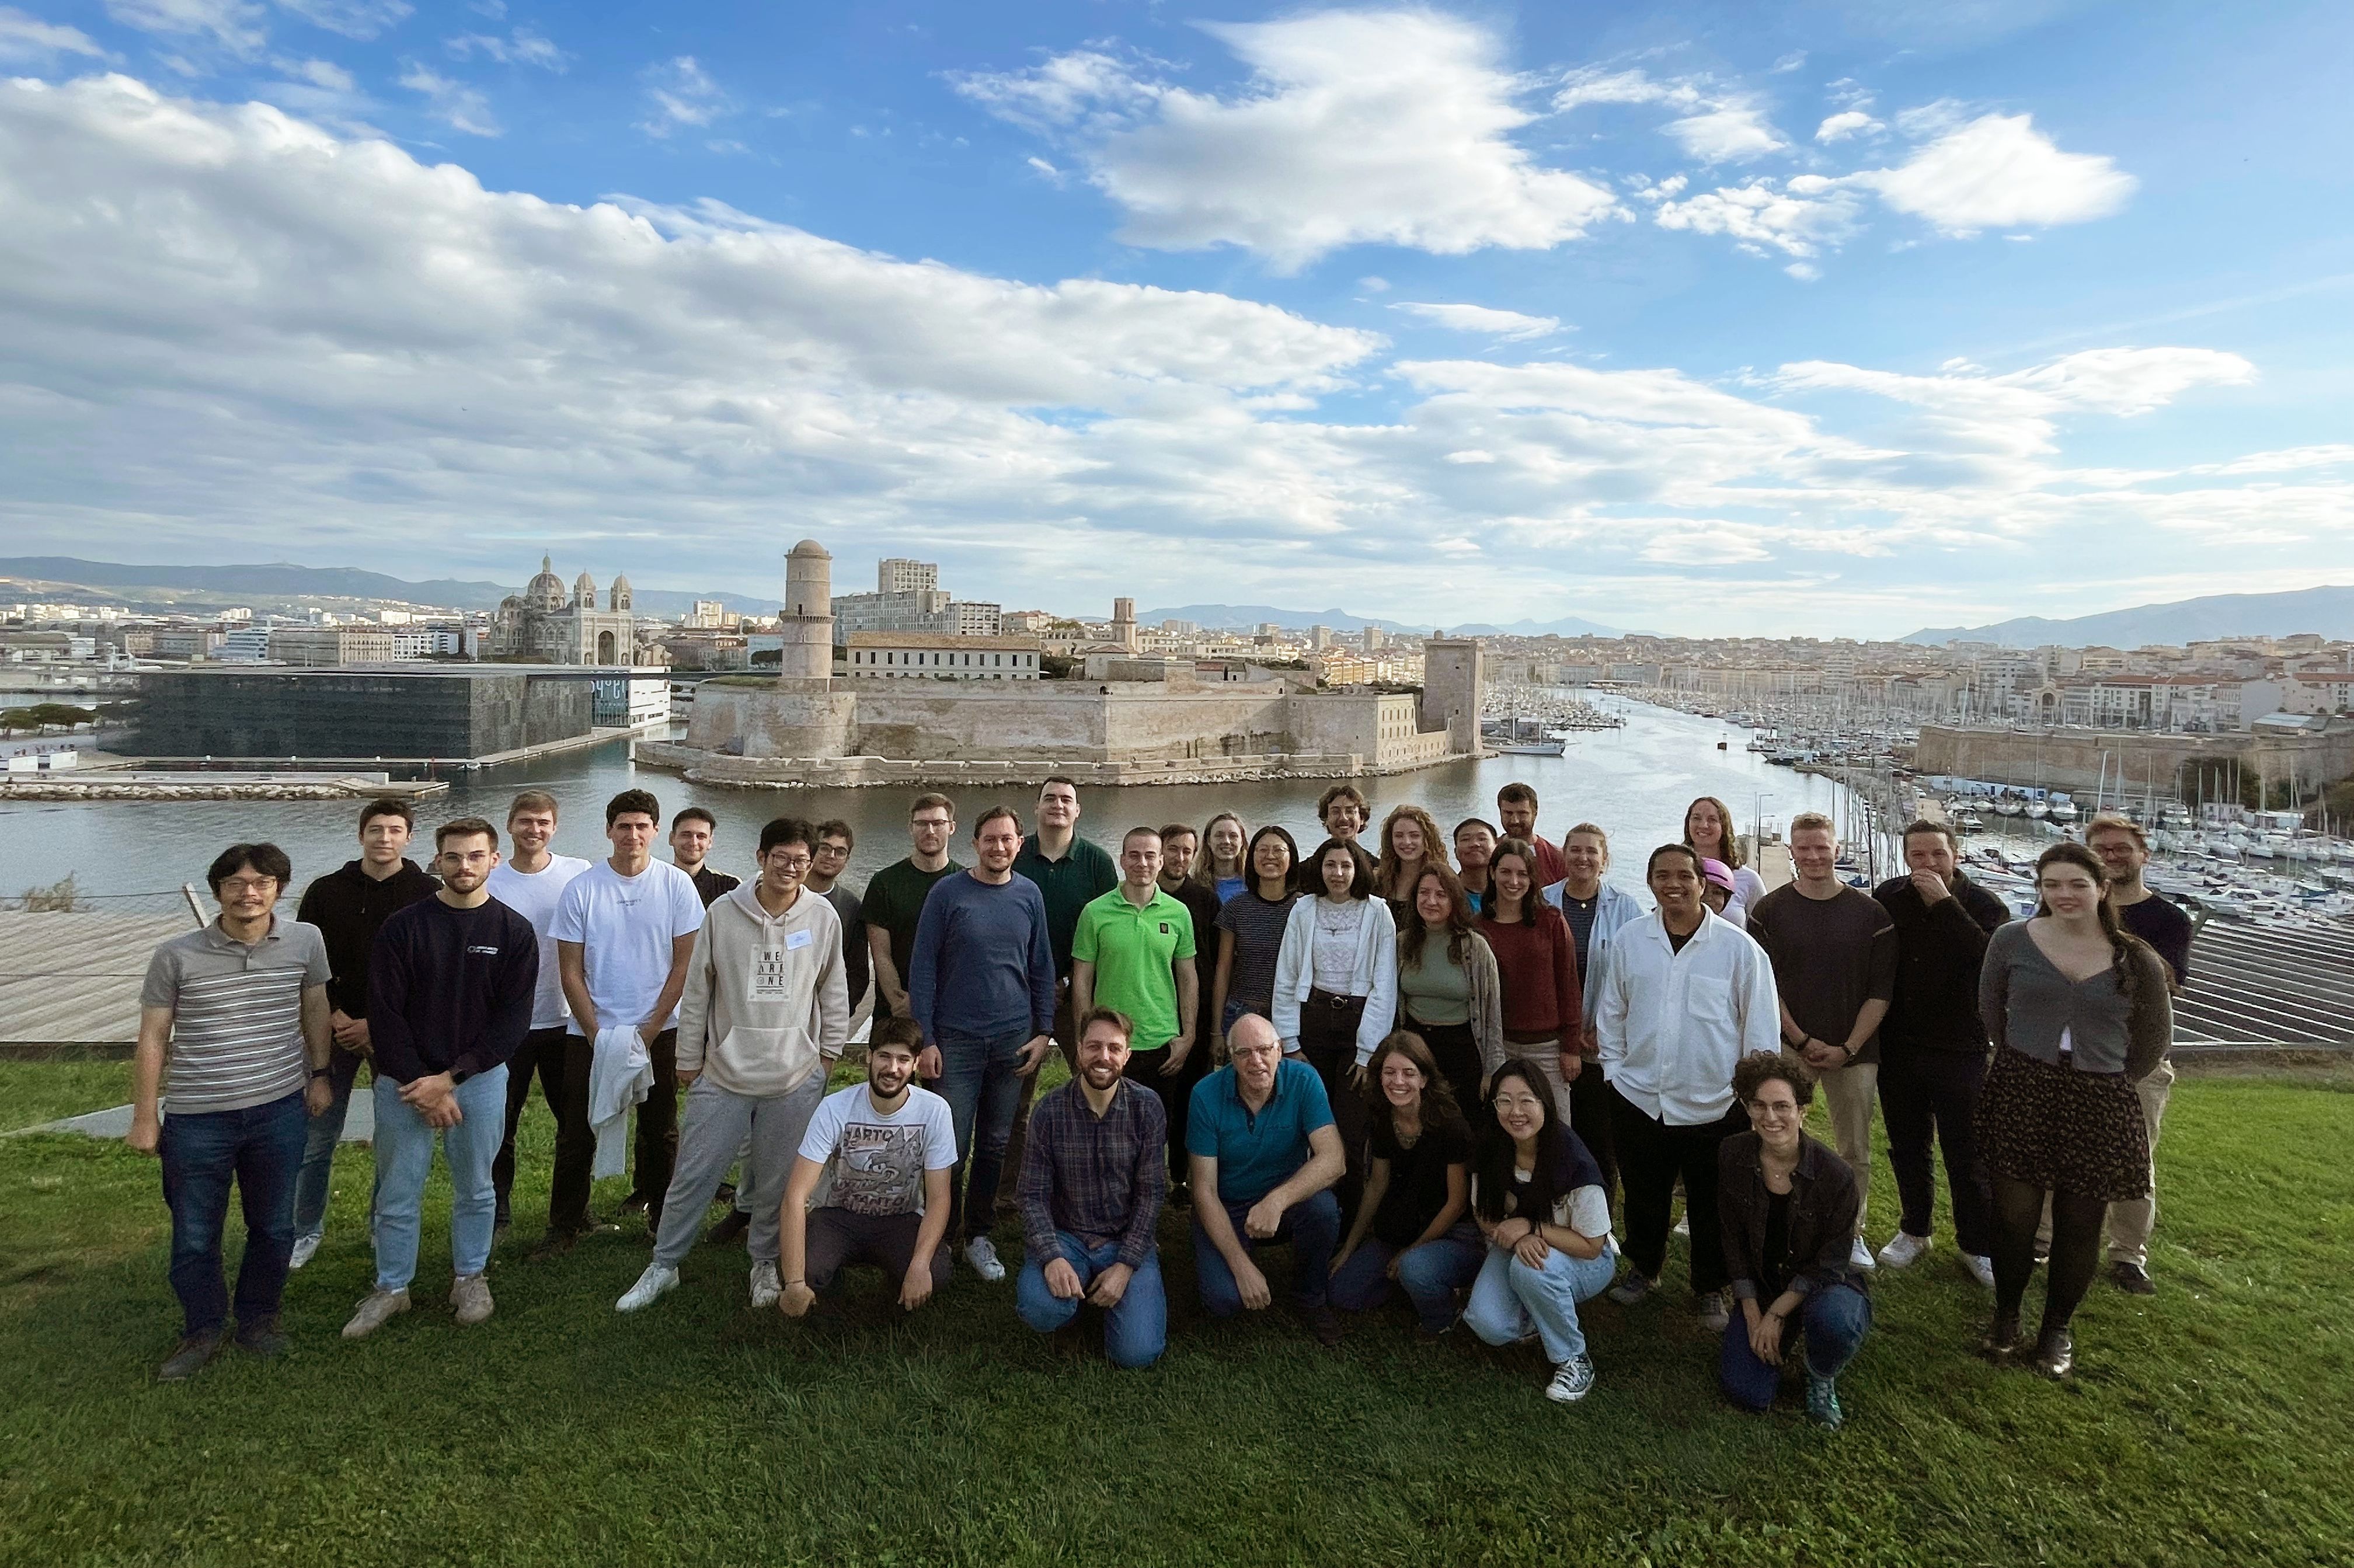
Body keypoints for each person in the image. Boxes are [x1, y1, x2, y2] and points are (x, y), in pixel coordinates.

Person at [615, 817, 849, 1314]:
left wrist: (827, 1057)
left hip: (795, 1076)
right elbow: (698, 990)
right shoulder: (722, 913)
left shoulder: (823, 917)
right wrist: (689, 1060)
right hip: (723, 1073)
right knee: (695, 1174)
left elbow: (834, 990)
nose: (791, 869)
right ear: (761, 858)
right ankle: (664, 1264)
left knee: (777, 1180)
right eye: (782, 858)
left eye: (801, 861)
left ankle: (764, 1262)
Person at [131, 843, 333, 1381]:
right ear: (218, 890)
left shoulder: (305, 941)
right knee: (195, 1233)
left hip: (280, 1110)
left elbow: (314, 1007)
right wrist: (145, 1115)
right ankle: (202, 1329)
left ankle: (259, 1320)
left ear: (279, 889)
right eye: (236, 884)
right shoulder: (175, 955)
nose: (249, 893)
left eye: (262, 883)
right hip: (198, 1117)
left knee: (273, 1227)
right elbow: (154, 1036)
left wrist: (320, 1074)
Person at [1977, 842, 2172, 1378]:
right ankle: (2007, 1315)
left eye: (2077, 885)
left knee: (2079, 1223)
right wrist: (2026, 1058)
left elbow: (2154, 1038)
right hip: (2022, 1086)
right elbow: (1992, 1011)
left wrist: (2108, 1076)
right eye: (2052, 885)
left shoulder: (2135, 957)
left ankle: (2057, 1327)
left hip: (2100, 1096)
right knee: (2014, 1215)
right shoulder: (2011, 941)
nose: (2064, 895)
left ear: (2102, 890)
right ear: (2039, 889)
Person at [343, 818, 538, 1339]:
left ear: (494, 860)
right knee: (398, 1191)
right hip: (404, 1083)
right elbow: (385, 1014)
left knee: (477, 1188)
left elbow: (511, 1023)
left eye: (475, 856)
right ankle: (392, 1287)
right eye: (453, 857)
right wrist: (421, 1084)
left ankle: (469, 1277)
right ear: (437, 861)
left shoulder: (514, 932)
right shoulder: (404, 928)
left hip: (477, 1081)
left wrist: (451, 1078)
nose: (464, 867)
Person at [1597, 845, 1780, 1331]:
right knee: (1643, 1193)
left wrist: (1750, 1099)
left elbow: (1760, 1031)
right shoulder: (1630, 940)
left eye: (1683, 876)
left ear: (1705, 883)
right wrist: (1615, 1073)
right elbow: (1611, 1011)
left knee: (1712, 1202)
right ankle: (1645, 1267)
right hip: (1639, 1097)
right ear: (1650, 881)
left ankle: (1709, 1287)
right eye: (1662, 876)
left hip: (1715, 1105)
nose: (1672, 885)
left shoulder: (1740, 950)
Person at [906, 804, 1057, 1283]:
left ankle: (979, 1234)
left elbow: (1041, 968)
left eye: (1007, 839)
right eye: (990, 839)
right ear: (974, 843)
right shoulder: (948, 893)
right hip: (957, 1040)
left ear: (1019, 845)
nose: (999, 847)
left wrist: (1044, 1032)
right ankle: (942, 1235)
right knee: (952, 1143)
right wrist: (926, 1039)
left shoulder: (1029, 895)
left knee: (994, 1142)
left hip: (1013, 1039)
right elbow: (923, 968)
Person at [289, 798, 440, 1270]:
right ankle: (305, 1229)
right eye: (376, 829)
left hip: (397, 1032)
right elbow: (309, 964)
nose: (385, 838)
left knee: (394, 1137)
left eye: (395, 830)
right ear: (361, 835)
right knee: (316, 1138)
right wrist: (335, 1015)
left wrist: (377, 1024)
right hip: (332, 1027)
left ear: (409, 837)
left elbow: (430, 972)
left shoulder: (426, 892)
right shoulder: (326, 891)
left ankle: (383, 1222)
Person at [1745, 812, 1896, 1271]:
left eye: (1821, 847)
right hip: (1790, 1047)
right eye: (1804, 848)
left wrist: (1847, 1047)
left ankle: (1851, 1233)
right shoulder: (1769, 912)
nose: (1813, 856)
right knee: (1777, 1137)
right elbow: (1766, 985)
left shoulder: (1872, 915)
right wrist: (1801, 1038)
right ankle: (1780, 1220)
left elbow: (1880, 992)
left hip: (1856, 1051)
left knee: (1854, 1149)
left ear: (1837, 848)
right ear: (1791, 851)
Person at [551, 789, 706, 1236]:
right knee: (576, 1133)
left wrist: (651, 1029)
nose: (632, 835)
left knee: (660, 1131)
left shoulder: (676, 886)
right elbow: (570, 971)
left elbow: (684, 965)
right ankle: (565, 1226)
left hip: (660, 1029)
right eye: (624, 826)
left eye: (642, 826)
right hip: (590, 1032)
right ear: (608, 831)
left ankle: (664, 1221)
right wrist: (599, 1036)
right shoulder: (582, 889)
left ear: (656, 832)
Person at [1871, 819, 2008, 1285]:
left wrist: (1946, 906)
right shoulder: (1889, 897)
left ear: (1956, 855)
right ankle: (1915, 1229)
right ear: (1906, 857)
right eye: (1917, 856)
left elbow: (1992, 962)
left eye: (1936, 855)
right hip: (1900, 1045)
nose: (1927, 864)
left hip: (1961, 1047)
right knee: (1908, 1146)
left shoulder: (1986, 906)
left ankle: (1977, 1244)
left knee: (1966, 1153)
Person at [1717, 1053, 1871, 1429]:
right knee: (1748, 1394)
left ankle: (1821, 1374)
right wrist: (1753, 1313)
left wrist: (1776, 1314)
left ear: (1803, 1110)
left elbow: (1831, 1261)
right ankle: (1781, 1333)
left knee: (1836, 1321)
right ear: (1747, 1107)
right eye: (1759, 1105)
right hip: (1766, 1283)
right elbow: (1733, 1240)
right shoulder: (1732, 1154)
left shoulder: (1837, 1176)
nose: (1771, 1118)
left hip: (1824, 1285)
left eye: (1782, 1106)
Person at [1014, 1008, 1169, 1368]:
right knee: (1040, 1309)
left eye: (1114, 1049)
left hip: (1125, 1238)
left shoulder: (1147, 1108)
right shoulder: (1049, 1111)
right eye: (1094, 1046)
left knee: (1137, 1354)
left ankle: (1109, 1296)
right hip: (1068, 1237)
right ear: (1078, 1049)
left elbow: (1151, 1195)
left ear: (1128, 1056)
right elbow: (1032, 1196)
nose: (1103, 1057)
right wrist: (1051, 1257)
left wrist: (1128, 1264)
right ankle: (1072, 1308)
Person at [1461, 1060, 1618, 1403]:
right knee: (1488, 1325)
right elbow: (1483, 1214)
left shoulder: (1573, 1158)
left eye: (1526, 1100)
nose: (1515, 1112)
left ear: (1545, 1103)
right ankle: (1542, 1312)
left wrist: (1533, 1229)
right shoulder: (1490, 1147)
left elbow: (1592, 1245)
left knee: (1531, 1270)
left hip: (1585, 1256)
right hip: (1520, 1245)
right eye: (1504, 1100)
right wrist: (1520, 1237)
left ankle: (1574, 1359)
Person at [777, 1020, 958, 1317]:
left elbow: (939, 1198)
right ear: (868, 1058)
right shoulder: (835, 1108)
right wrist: (795, 1282)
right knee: (802, 1268)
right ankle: (826, 1292)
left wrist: (920, 1264)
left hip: (900, 1220)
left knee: (936, 1273)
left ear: (915, 1065)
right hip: (837, 1217)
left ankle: (895, 1288)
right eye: (885, 1057)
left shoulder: (935, 1111)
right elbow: (795, 1197)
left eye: (903, 1060)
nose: (893, 1069)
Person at [1187, 1015, 1347, 1344]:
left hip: (1283, 1202)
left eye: (1264, 1050)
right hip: (1227, 1205)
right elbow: (1203, 1191)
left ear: (1280, 1050)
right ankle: (1241, 1258)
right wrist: (1240, 1266)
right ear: (1231, 1059)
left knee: (1324, 1210)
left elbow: (1334, 1160)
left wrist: (1277, 1200)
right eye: (1244, 1053)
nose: (1256, 1062)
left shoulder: (1304, 1080)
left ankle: (1310, 1295)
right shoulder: (1205, 1095)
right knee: (1223, 1301)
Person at [2086, 813, 2193, 1296]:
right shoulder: (2071, 907)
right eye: (2102, 849)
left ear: (2143, 855)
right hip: (2078, 1048)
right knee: (2056, 1150)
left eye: (2121, 848)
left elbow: (2170, 980)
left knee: (2135, 1161)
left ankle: (2128, 1254)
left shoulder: (2168, 919)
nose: (2112, 856)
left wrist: (2116, 941)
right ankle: (2043, 1239)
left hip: (2141, 1058)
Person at [1003, 777, 1119, 1203]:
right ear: (1036, 808)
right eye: (1049, 798)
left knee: (1094, 1089)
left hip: (1079, 996)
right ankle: (1007, 1191)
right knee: (1014, 1103)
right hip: (1021, 997)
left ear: (1078, 811)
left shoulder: (1097, 862)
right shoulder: (1015, 855)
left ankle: (1093, 1183)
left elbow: (1109, 930)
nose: (1058, 805)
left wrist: (1068, 983)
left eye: (1066, 799)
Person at [487, 790, 593, 1252]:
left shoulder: (579, 873)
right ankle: (496, 1206)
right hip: (506, 1024)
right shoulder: (490, 878)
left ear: (555, 827)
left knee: (575, 1124)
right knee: (499, 1123)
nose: (535, 829)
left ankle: (574, 1210)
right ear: (510, 826)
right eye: (526, 821)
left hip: (565, 1020)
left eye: (544, 822)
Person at [1271, 837, 1398, 1224]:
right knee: (1305, 1120)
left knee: (1350, 1126)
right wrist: (1289, 1043)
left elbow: (1384, 983)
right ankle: (1303, 1212)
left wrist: (1367, 1051)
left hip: (1358, 1024)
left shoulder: (1378, 912)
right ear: (1319, 869)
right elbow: (1287, 975)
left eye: (1346, 865)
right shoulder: (1304, 910)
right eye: (1330, 865)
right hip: (1313, 1021)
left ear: (1358, 868)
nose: (1338, 873)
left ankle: (1348, 1218)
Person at [1329, 1032, 1482, 1339]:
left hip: (1454, 1233)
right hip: (1402, 1227)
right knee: (1341, 1293)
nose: (1398, 1081)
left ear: (1424, 1079)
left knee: (1414, 1267)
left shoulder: (1450, 1125)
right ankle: (1415, 1282)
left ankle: (1445, 1315)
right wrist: (1349, 1247)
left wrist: (1411, 1252)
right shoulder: (1384, 1117)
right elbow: (1377, 1185)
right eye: (1390, 1072)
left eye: (1409, 1073)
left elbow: (1457, 1204)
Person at [1072, 827, 1200, 1184]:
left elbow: (1187, 977)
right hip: (1110, 1046)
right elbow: (1082, 979)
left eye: (1150, 856)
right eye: (1134, 855)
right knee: (1105, 1132)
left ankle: (1145, 1213)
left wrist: (1187, 1035)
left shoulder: (1178, 913)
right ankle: (1101, 1202)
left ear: (1161, 861)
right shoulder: (1095, 913)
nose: (1142, 863)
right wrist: (1084, 1036)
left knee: (1152, 1137)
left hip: (1162, 1043)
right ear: (1123, 859)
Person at [1543, 823, 1645, 1208]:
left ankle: (1599, 1217)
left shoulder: (1626, 908)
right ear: (1564, 855)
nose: (1583, 858)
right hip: (1552, 1040)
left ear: (1605, 861)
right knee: (1556, 1131)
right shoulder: (1543, 902)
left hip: (1604, 1045)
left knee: (1601, 1137)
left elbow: (1637, 977)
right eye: (1575, 850)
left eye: (1592, 851)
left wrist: (1607, 1029)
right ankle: (1557, 1206)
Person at [1478, 838, 1582, 1128]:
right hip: (1499, 1047)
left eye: (1523, 874)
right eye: (1506, 872)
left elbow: (1568, 984)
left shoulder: (1550, 921)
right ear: (1492, 873)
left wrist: (1571, 1047)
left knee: (1557, 1128)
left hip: (1547, 1047)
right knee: (1508, 1129)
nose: (1514, 881)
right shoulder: (1478, 928)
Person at [1394, 864, 1502, 1117]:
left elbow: (1492, 1014)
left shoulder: (1475, 948)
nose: (1431, 901)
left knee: (1461, 1127)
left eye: (1441, 894)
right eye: (1424, 893)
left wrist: (1491, 1072)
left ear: (1454, 899)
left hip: (1462, 1049)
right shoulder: (1402, 943)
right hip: (1414, 1046)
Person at [1156, 821, 1223, 1187]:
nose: (1180, 858)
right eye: (1173, 849)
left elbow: (1211, 963)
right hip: (1153, 1011)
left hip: (1193, 1011)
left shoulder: (1204, 898)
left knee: (1189, 1101)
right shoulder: (1142, 896)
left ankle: (1183, 1177)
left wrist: (1210, 1025)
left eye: (1187, 851)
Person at [862, 794, 964, 1023]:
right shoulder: (885, 883)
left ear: (952, 828)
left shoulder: (967, 883)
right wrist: (899, 1003)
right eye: (922, 824)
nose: (930, 831)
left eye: (938, 824)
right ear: (911, 828)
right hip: (895, 1011)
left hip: (950, 1011)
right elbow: (881, 955)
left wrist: (933, 1001)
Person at [1211, 824, 1302, 1060]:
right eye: (1262, 850)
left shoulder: (1304, 908)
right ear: (1252, 858)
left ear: (1291, 857)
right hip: (1241, 1011)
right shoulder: (1236, 907)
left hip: (1291, 1017)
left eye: (1278, 850)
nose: (1270, 856)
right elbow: (1223, 969)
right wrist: (1216, 1030)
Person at [1683, 797, 1765, 925]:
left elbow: (1763, 929)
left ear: (1724, 827)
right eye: (1697, 818)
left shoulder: (1749, 879)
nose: (1704, 825)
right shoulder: (1675, 877)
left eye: (1712, 820)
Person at [1371, 803, 1450, 912]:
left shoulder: (1444, 881)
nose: (1407, 842)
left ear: (1427, 840)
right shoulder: (1377, 881)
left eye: (1414, 835)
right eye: (1399, 836)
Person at [1494, 783, 1566, 886]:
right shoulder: (1489, 852)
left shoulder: (1557, 858)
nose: (1515, 820)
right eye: (1508, 813)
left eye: (1522, 813)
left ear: (1535, 813)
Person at [670, 806, 740, 908]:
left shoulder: (730, 888)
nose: (694, 842)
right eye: (686, 835)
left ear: (710, 842)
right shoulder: (655, 883)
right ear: (672, 838)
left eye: (701, 836)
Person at [1201, 811, 1249, 904]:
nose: (1227, 841)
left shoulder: (1254, 884)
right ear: (1209, 841)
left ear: (1242, 842)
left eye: (1233, 836)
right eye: (1219, 836)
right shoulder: (1196, 884)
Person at [1453, 817, 1499, 903]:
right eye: (1465, 839)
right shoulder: (1447, 892)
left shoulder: (1509, 890)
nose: (1474, 844)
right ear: (1455, 852)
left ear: (1497, 847)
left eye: (1482, 839)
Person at [1317, 783, 1369, 848]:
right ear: (1326, 819)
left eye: (1350, 811)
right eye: (1336, 812)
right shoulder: (1317, 858)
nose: (1343, 818)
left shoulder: (1371, 858)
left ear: (1362, 818)